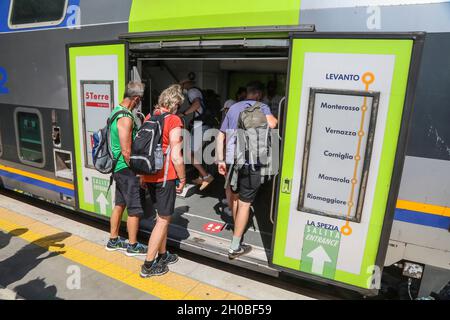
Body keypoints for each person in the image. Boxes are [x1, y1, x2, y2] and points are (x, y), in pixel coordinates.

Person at [216, 81, 278, 259]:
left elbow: (221, 135)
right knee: (245, 203)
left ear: (247, 93)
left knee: (233, 196)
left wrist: (220, 160)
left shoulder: (233, 107)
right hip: (253, 161)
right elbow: (273, 125)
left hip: (232, 159)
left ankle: (237, 227)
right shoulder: (263, 106)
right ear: (258, 94)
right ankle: (235, 245)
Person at [140, 84, 186, 277]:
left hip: (149, 174)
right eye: (179, 104)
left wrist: (142, 176)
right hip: (165, 177)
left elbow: (142, 149)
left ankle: (163, 254)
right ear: (175, 103)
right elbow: (176, 155)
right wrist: (182, 177)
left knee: (162, 217)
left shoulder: (150, 117)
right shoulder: (174, 120)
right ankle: (148, 265)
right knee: (163, 219)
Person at [106, 81, 148, 256]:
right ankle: (132, 245)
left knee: (120, 205)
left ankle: (113, 240)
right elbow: (126, 150)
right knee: (135, 209)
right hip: (125, 169)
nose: (139, 103)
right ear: (136, 98)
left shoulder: (116, 111)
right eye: (140, 100)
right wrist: (138, 172)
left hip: (118, 168)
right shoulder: (125, 117)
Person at [179, 79, 214, 191]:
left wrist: (183, 113)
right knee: (197, 153)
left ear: (186, 84)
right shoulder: (198, 91)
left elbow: (197, 103)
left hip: (200, 126)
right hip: (205, 125)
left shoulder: (192, 92)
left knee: (189, 154)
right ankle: (200, 177)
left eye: (181, 85)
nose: (181, 87)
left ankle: (206, 176)